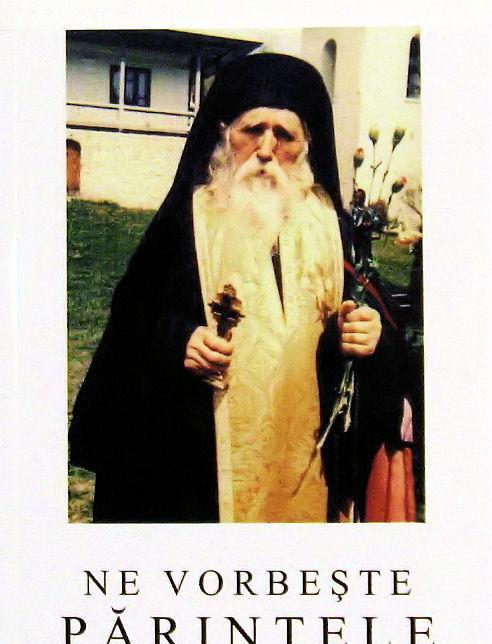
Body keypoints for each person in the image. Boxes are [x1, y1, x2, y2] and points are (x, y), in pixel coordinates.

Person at [69, 53, 409, 523]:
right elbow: (134, 316)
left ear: (306, 145)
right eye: (253, 130)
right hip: (198, 469)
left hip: (305, 465)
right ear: (225, 132)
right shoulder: (187, 220)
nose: (266, 149)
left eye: (284, 135)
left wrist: (372, 338)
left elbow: (375, 329)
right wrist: (180, 339)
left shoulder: (334, 229)